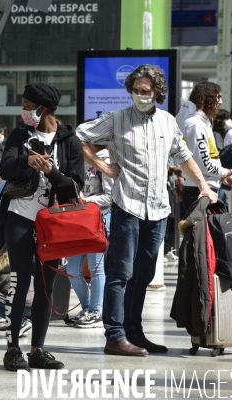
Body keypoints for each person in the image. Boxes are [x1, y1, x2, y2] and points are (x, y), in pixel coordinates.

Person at [76, 64, 218, 357]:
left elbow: (185, 156)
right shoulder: (116, 119)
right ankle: (114, 335)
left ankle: (134, 332)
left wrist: (203, 185)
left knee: (143, 275)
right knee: (120, 273)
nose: (140, 96)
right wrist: (103, 165)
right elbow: (80, 136)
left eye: (146, 91)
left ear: (157, 92)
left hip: (158, 210)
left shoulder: (168, 122)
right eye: (136, 90)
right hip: (127, 206)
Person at [0, 82, 84, 372]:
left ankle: (38, 348)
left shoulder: (69, 140)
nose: (23, 110)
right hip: (20, 216)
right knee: (20, 280)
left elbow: (75, 187)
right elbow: (5, 167)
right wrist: (27, 159)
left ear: (43, 107)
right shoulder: (20, 134)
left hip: (53, 224)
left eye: (26, 105)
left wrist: (52, 171)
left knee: (46, 283)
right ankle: (12, 348)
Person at [65, 143, 113, 329]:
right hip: (79, 220)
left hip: (97, 220)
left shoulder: (106, 161)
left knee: (95, 268)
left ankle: (95, 311)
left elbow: (110, 197)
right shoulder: (81, 161)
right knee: (72, 269)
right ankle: (87, 309)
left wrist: (85, 201)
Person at [175, 82, 232, 212]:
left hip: (205, 189)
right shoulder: (195, 124)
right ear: (204, 99)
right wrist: (229, 172)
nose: (220, 102)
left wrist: (221, 176)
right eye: (218, 97)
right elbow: (203, 164)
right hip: (199, 191)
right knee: (200, 233)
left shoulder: (202, 122)